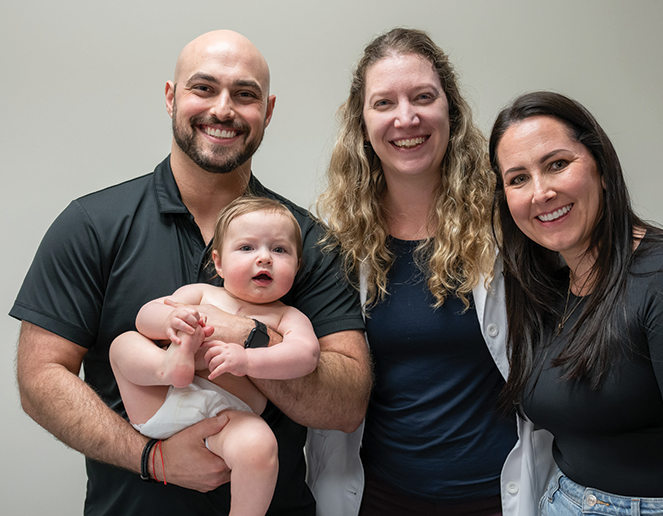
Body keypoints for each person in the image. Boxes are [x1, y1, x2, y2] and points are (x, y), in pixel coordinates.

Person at [10, 29, 370, 516]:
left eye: (245, 94)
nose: (223, 109)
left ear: (267, 111)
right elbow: (40, 377)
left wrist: (242, 336)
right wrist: (151, 459)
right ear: (170, 96)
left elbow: (346, 404)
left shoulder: (307, 243)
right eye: (204, 88)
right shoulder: (92, 225)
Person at [489, 91, 663, 516]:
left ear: (601, 168)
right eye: (518, 178)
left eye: (557, 164)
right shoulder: (545, 288)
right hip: (566, 500)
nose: (540, 192)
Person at [311, 28, 555, 516]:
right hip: (379, 497)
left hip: (498, 496)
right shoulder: (335, 243)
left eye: (423, 97)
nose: (407, 117)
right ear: (362, 122)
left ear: (452, 110)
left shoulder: (510, 219)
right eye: (384, 103)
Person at [111, 197, 320, 515]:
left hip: (227, 417)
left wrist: (249, 360)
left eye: (279, 250)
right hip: (162, 397)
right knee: (123, 344)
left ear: (297, 265)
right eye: (247, 248)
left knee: (260, 446)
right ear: (219, 263)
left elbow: (306, 356)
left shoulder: (286, 316)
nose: (264, 258)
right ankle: (166, 366)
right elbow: (146, 316)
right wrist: (170, 321)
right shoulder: (201, 293)